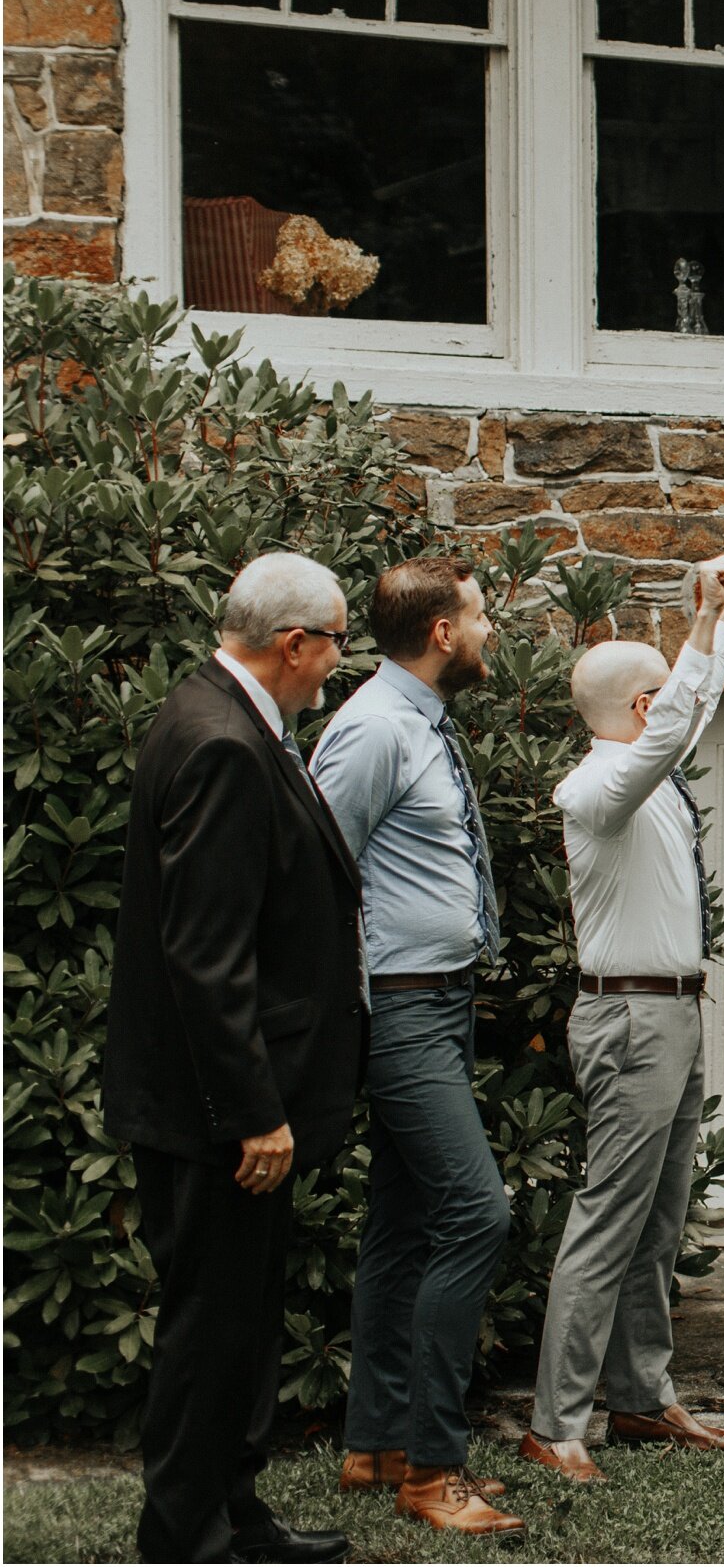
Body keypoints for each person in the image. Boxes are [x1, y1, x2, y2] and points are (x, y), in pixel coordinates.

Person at [103, 552, 364, 1565]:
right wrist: (256, 1110)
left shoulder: (227, 715)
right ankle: (183, 1537)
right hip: (218, 1112)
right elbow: (206, 953)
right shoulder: (220, 740)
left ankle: (237, 1515)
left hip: (227, 1102)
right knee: (210, 1327)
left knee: (244, 1322)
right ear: (293, 642)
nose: (339, 660)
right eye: (336, 639)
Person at [519, 554, 724, 1483]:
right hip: (627, 1023)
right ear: (636, 705)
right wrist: (700, 624)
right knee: (608, 1217)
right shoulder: (594, 788)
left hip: (676, 1015)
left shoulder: (652, 769)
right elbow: (677, 721)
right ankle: (554, 1422)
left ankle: (641, 1398)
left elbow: (699, 699)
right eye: (664, 695)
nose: (680, 708)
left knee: (661, 1218)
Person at [307, 558, 524, 1538]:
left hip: (438, 1001)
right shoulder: (372, 729)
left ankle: (376, 1442)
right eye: (479, 615)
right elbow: (311, 872)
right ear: (441, 630)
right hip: (397, 1008)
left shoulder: (419, 723)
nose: (488, 631)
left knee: (399, 1224)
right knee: (476, 1212)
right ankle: (433, 1471)